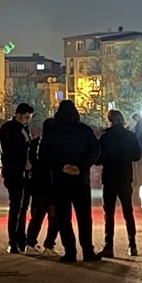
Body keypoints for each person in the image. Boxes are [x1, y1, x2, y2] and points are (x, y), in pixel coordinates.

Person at [38, 99, 100, 263]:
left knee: (63, 217)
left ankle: (70, 252)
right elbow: (95, 150)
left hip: (60, 181)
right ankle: (88, 251)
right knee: (84, 217)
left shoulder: (52, 132)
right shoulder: (85, 130)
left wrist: (61, 167)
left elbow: (42, 156)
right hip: (81, 180)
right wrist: (81, 166)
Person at [95, 109, 142, 257]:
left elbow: (98, 160)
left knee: (109, 214)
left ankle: (109, 246)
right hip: (125, 178)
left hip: (109, 178)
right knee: (128, 212)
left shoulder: (105, 138)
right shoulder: (130, 136)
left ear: (109, 120)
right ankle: (132, 245)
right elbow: (137, 155)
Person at [0, 102, 34, 254]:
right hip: (14, 173)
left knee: (23, 207)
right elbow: (8, 151)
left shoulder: (23, 128)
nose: (28, 120)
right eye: (26, 117)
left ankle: (20, 239)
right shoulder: (8, 129)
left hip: (23, 173)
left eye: (29, 118)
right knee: (16, 207)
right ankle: (13, 241)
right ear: (18, 115)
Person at [24, 117, 59, 254]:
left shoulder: (35, 143)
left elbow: (30, 165)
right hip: (53, 186)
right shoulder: (56, 144)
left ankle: (30, 243)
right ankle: (49, 245)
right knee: (54, 218)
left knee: (37, 217)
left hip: (38, 185)